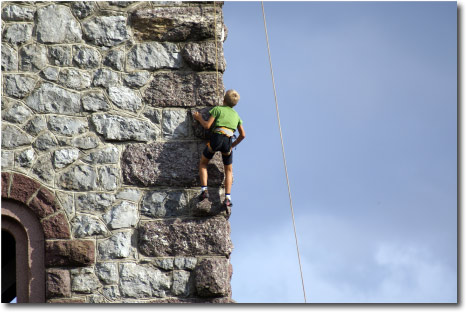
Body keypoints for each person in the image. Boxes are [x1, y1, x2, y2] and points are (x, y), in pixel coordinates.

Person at [192, 89, 246, 211]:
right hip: (228, 141)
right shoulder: (236, 115)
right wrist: (232, 145)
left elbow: (207, 126)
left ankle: (204, 190)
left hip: (217, 138)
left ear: (223, 99)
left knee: (203, 163)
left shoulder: (217, 109)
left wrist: (199, 117)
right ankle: (227, 198)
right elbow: (243, 135)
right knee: (229, 170)